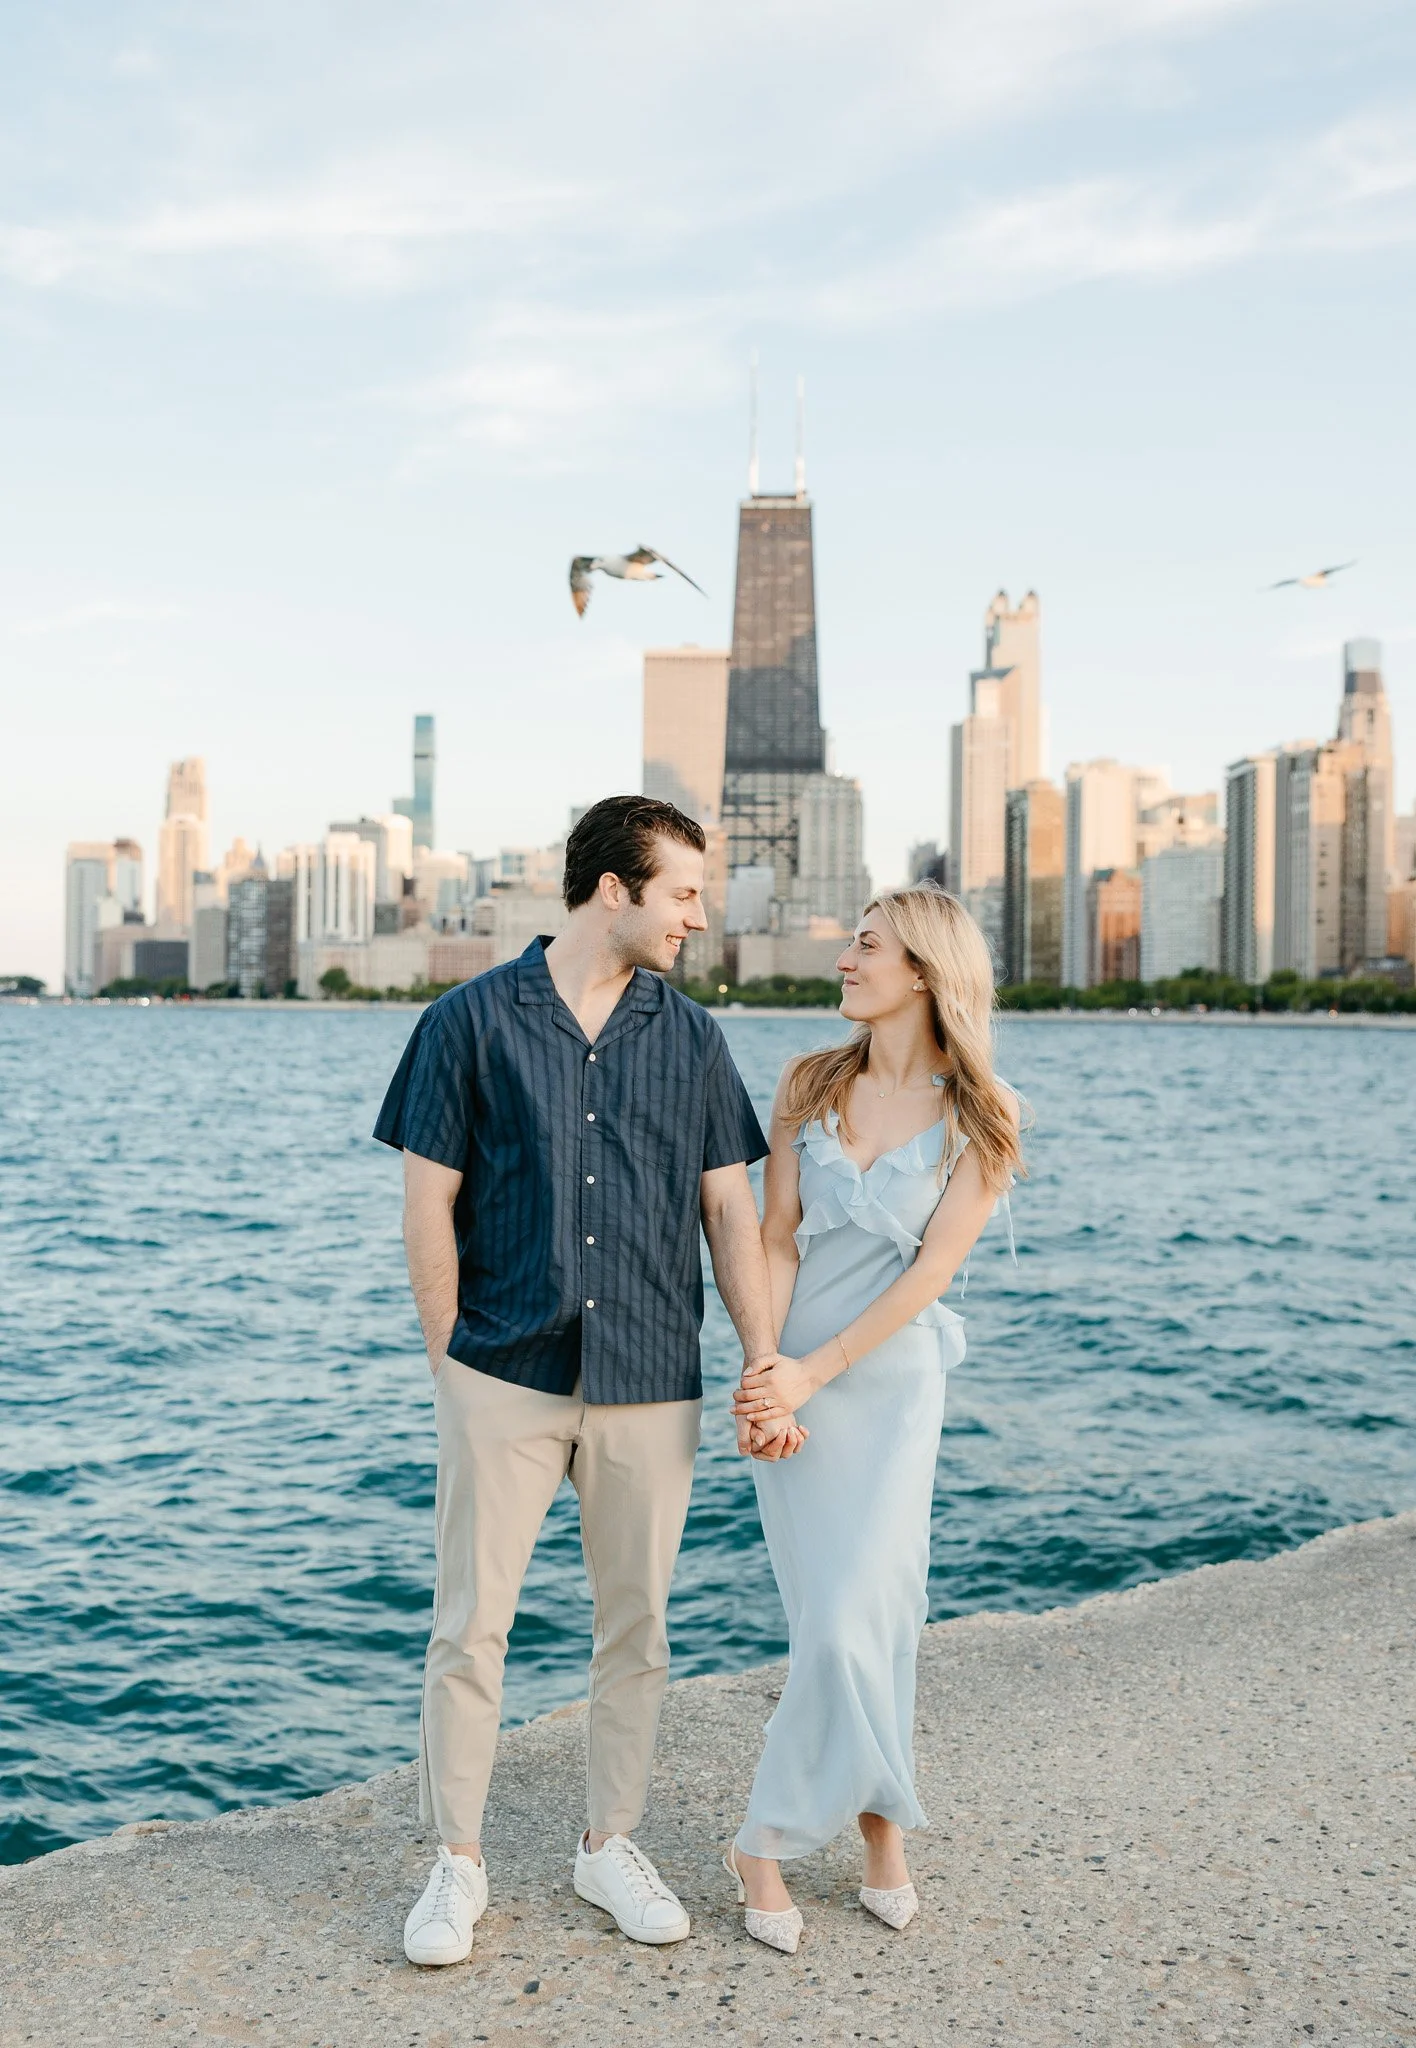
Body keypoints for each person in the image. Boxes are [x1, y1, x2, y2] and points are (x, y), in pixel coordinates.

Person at [373, 795, 802, 1967]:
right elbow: (428, 1202)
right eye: (681, 894)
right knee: (472, 1629)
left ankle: (607, 1843)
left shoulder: (696, 1036)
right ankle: (455, 1861)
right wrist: (451, 1363)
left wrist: (764, 1358)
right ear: (613, 889)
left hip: (653, 1374)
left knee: (640, 1626)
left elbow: (729, 1209)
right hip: (502, 1369)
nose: (697, 918)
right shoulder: (465, 1021)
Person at [726, 885, 1024, 1954]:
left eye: (865, 943)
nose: (845, 956)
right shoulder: (809, 1083)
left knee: (870, 1612)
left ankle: (769, 1836)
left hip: (886, 1389)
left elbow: (930, 1273)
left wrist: (816, 1369)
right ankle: (881, 1826)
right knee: (830, 1617)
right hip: (792, 1378)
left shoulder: (982, 1115)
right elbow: (776, 1236)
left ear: (923, 972)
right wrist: (766, 1365)